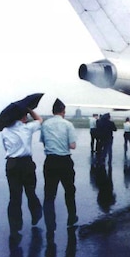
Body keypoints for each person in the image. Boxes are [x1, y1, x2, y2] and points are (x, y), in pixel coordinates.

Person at [0, 108, 43, 243]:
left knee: (14, 197)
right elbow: (40, 120)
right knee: (30, 191)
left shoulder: (5, 131)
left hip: (12, 163)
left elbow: (6, 148)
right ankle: (36, 214)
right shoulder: (27, 128)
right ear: (23, 117)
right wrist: (30, 110)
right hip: (26, 163)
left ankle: (15, 227)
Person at [40, 98, 78, 244]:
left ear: (52, 111)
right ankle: (72, 217)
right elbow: (72, 145)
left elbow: (43, 141)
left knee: (49, 194)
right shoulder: (68, 125)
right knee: (69, 190)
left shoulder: (45, 124)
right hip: (65, 161)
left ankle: (50, 224)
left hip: (50, 161)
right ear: (63, 111)